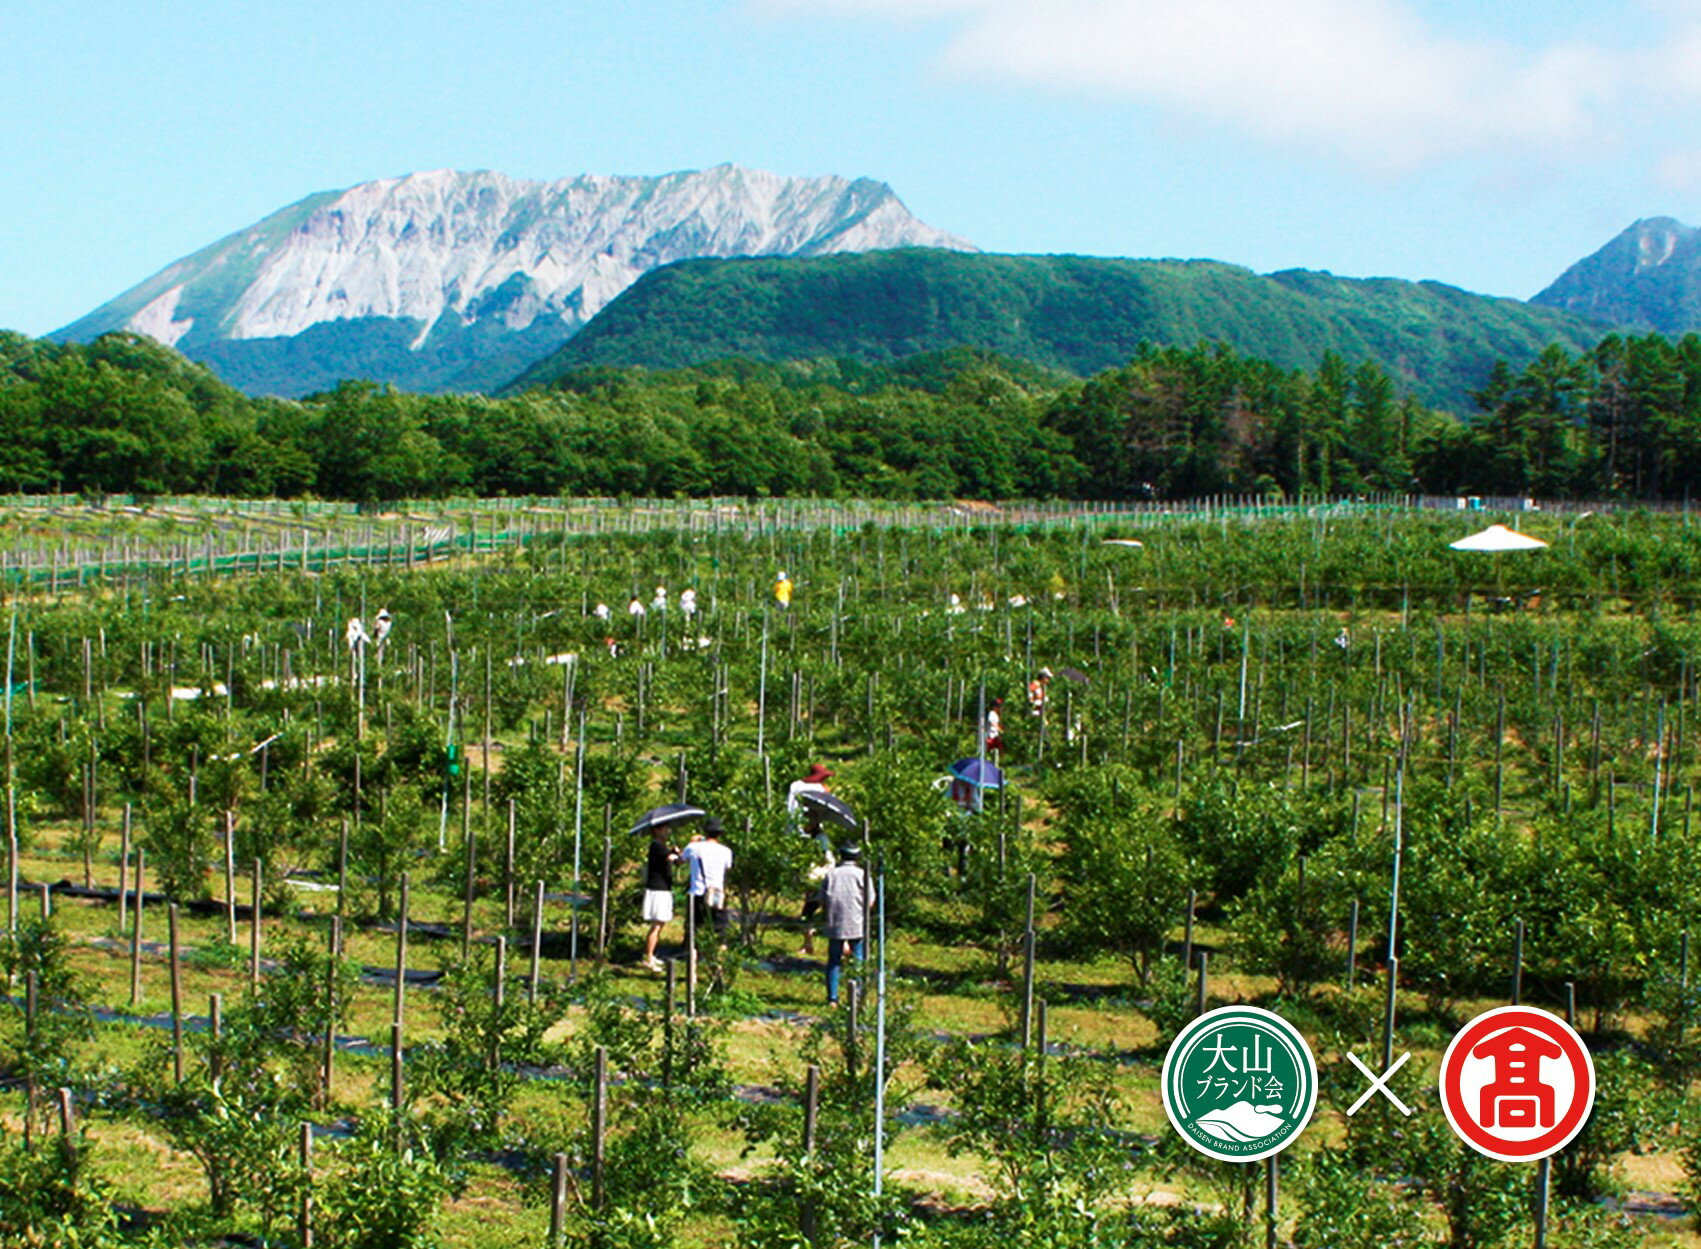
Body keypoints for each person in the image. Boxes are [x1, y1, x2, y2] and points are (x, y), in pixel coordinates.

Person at [820, 844, 872, 1005]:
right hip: (856, 922)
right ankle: (857, 996)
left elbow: (822, 899)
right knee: (858, 960)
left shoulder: (831, 874)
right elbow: (870, 900)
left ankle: (832, 998)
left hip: (834, 922)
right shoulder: (862, 875)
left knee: (834, 960)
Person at [680, 818, 734, 941]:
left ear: (705, 832)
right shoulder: (726, 851)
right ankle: (720, 948)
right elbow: (728, 867)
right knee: (719, 928)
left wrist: (692, 842)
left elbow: (680, 860)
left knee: (693, 927)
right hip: (717, 893)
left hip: (697, 892)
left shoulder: (693, 847)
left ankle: (692, 949)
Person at [641, 824, 677, 971]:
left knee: (659, 924)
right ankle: (649, 958)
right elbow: (672, 859)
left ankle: (651, 954)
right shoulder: (656, 845)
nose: (668, 831)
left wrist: (674, 852)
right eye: (665, 829)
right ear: (657, 830)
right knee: (656, 925)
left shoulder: (662, 846)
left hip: (662, 888)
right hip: (658, 889)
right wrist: (677, 853)